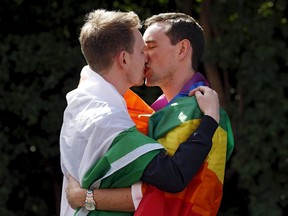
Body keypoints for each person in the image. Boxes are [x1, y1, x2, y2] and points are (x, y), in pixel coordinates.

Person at [65, 12, 234, 216]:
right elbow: (166, 180)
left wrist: (85, 197)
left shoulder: (196, 112)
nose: (145, 55)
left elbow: (170, 197)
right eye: (142, 49)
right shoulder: (116, 114)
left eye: (151, 47)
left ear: (182, 49)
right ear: (124, 59)